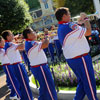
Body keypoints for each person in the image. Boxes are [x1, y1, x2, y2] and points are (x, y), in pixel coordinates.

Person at [55, 7, 98, 100]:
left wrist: (78, 23)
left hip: (74, 59)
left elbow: (75, 34)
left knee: (83, 83)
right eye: (68, 14)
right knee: (89, 82)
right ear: (64, 16)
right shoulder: (69, 26)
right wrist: (86, 19)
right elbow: (88, 32)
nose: (70, 15)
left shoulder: (63, 26)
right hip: (80, 58)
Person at [23, 28, 57, 100]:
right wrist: (47, 35)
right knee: (49, 86)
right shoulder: (32, 43)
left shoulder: (30, 42)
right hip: (40, 67)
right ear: (28, 35)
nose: (35, 33)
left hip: (39, 67)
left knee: (44, 87)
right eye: (33, 32)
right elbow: (45, 45)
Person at [1, 30, 34, 100]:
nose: (13, 35)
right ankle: (28, 98)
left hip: (16, 65)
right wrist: (24, 38)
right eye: (11, 34)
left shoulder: (9, 44)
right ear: (7, 37)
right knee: (24, 84)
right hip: (17, 65)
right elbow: (22, 46)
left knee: (22, 83)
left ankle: (26, 97)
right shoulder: (10, 44)